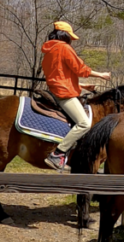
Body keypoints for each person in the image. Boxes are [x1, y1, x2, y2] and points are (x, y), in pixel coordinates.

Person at [41, 21, 111, 171]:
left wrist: (82, 86)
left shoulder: (49, 50)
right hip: (63, 94)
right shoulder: (64, 48)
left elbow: (58, 76)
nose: (71, 40)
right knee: (84, 123)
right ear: (64, 35)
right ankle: (57, 154)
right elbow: (79, 69)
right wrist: (100, 75)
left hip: (56, 89)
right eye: (70, 37)